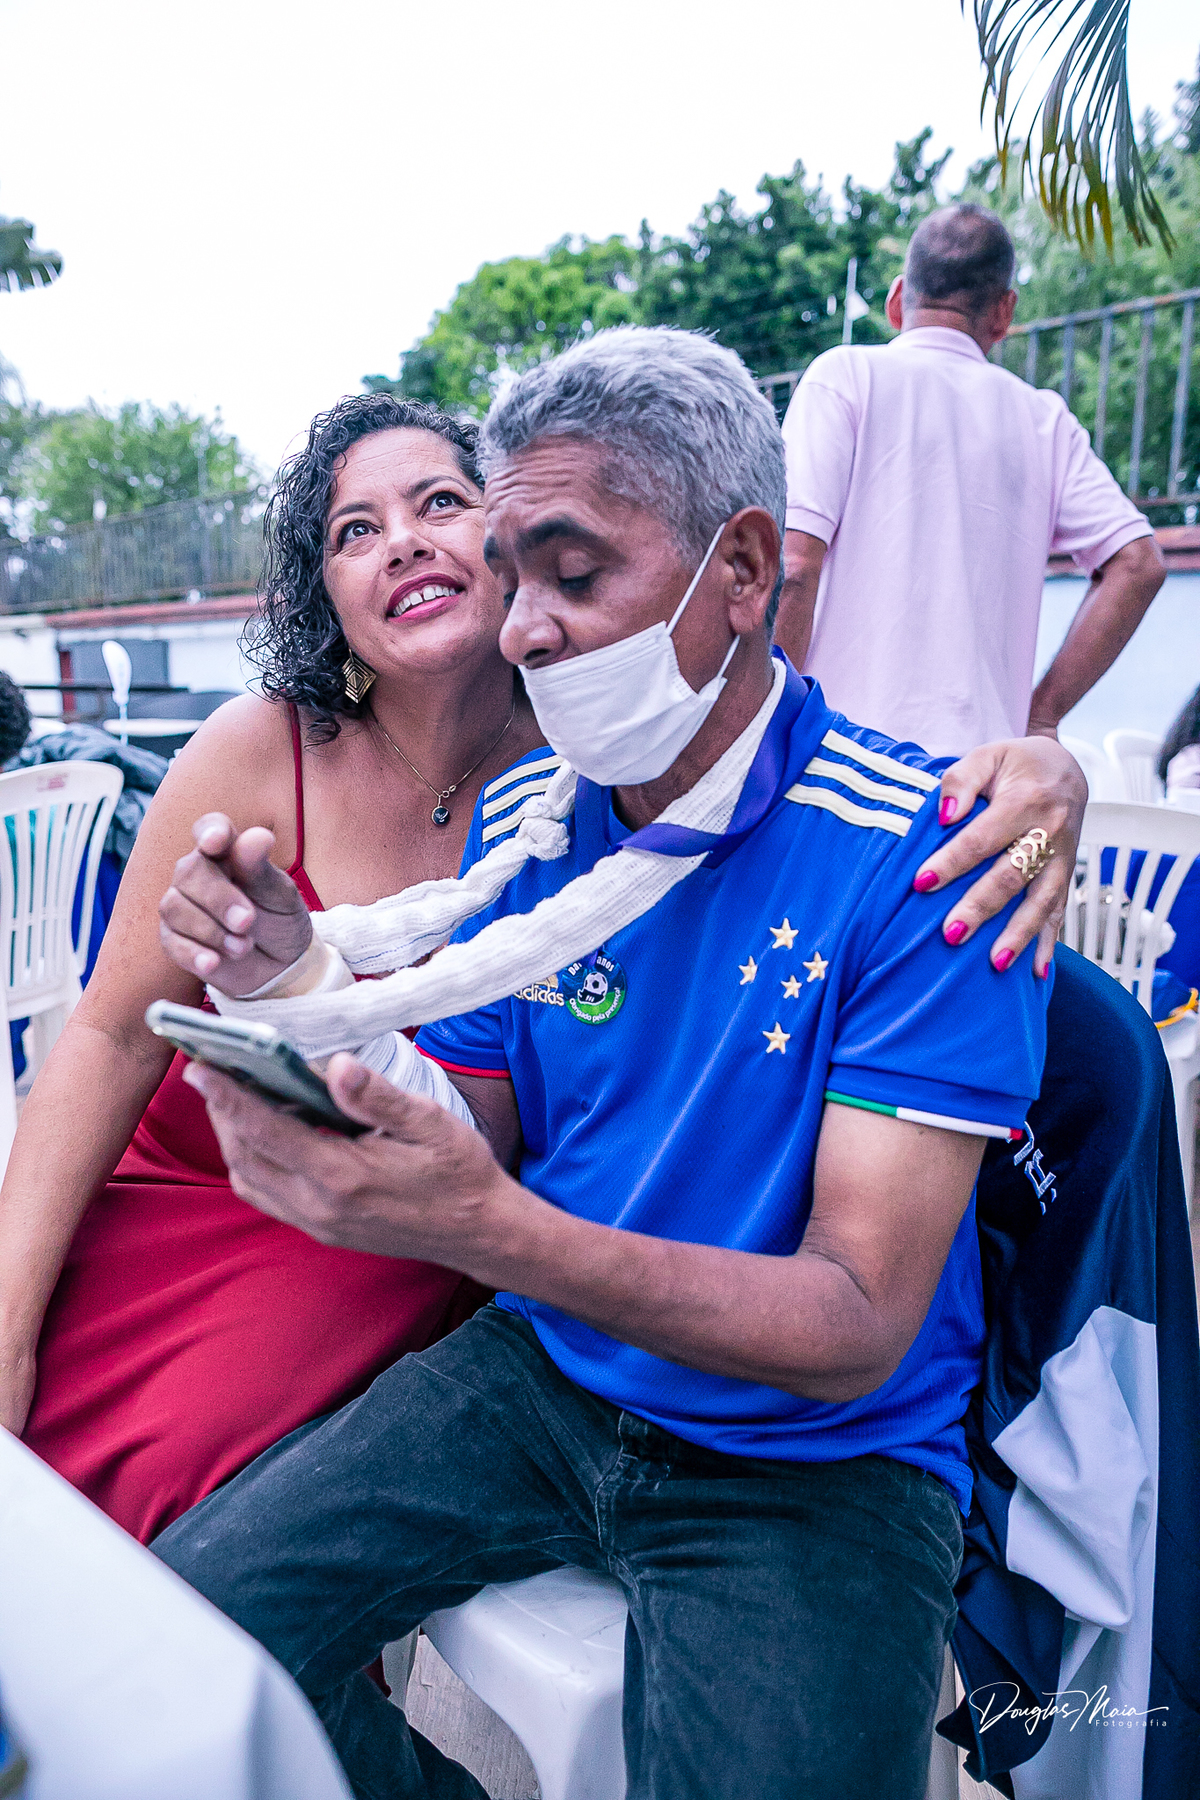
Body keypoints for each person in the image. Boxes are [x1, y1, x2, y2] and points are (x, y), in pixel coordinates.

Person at [154, 327, 1077, 1800]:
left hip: (818, 1460)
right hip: (552, 1375)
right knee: (182, 1642)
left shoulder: (934, 856)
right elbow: (479, 1132)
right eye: (511, 576)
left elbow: (856, 1321)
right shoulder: (538, 818)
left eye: (572, 575)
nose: (521, 631)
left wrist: (492, 1232)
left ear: (742, 568)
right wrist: (292, 982)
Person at [0, 395, 548, 1544]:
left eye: (440, 502)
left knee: (166, 1494)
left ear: (511, 537)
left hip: (380, 1242)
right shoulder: (258, 750)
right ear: (325, 596)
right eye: (356, 530)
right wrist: (5, 1324)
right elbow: (108, 1035)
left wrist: (979, 795)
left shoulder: (596, 764)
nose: (403, 541)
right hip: (175, 1188)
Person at [773, 203, 1167, 757]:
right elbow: (1139, 563)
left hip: (838, 768)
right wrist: (1041, 717)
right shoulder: (1043, 421)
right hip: (975, 779)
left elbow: (794, 566)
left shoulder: (845, 377)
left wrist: (773, 732)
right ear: (1004, 313)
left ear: (897, 299)